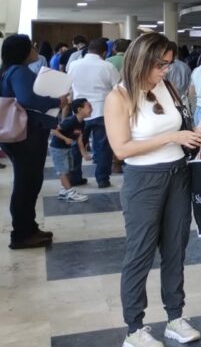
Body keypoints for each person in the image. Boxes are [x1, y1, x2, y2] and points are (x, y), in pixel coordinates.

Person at [105, 32, 201, 347]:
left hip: (178, 175)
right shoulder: (119, 97)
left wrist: (192, 136)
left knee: (176, 247)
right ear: (141, 60)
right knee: (140, 253)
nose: (165, 70)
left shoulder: (167, 86)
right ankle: (134, 328)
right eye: (160, 64)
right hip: (143, 181)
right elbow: (120, 149)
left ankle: (175, 317)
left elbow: (177, 126)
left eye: (168, 64)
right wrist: (171, 138)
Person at [1, 34, 62, 249]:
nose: (35, 48)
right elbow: (29, 99)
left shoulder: (7, 70)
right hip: (26, 136)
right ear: (24, 51)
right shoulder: (19, 71)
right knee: (27, 184)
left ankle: (28, 227)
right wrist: (58, 99)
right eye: (32, 46)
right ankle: (22, 233)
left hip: (18, 135)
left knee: (26, 183)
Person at [67, 38, 121, 189]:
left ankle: (75, 177)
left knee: (76, 146)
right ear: (104, 52)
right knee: (103, 147)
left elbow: (69, 86)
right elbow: (118, 89)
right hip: (101, 111)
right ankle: (102, 179)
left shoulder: (74, 65)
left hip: (78, 113)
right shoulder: (107, 66)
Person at [49, 99, 92, 203]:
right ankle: (70, 193)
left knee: (68, 169)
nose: (92, 109)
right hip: (57, 148)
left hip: (66, 148)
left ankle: (64, 192)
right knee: (62, 171)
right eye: (89, 106)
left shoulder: (81, 123)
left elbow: (79, 139)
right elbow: (53, 130)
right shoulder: (70, 121)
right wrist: (65, 139)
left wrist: (84, 154)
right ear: (79, 109)